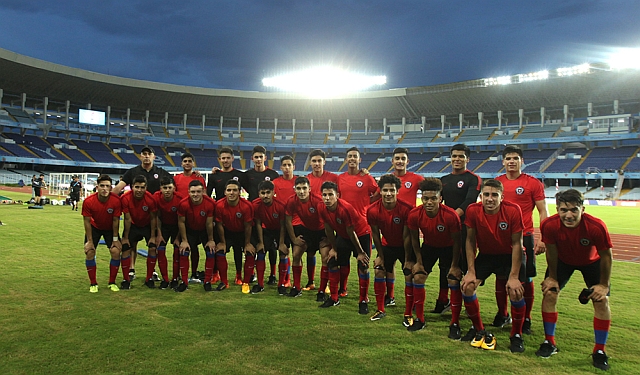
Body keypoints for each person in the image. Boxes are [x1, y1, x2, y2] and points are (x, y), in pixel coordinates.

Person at [537, 189, 613, 371]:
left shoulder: (596, 226)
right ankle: (550, 341)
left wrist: (603, 285)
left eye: (573, 210)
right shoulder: (549, 225)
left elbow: (606, 256)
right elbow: (552, 252)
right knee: (549, 293)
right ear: (557, 209)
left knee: (601, 300)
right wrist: (552, 278)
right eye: (563, 210)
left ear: (582, 209)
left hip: (592, 262)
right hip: (563, 261)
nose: (568, 215)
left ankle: (599, 351)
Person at [460, 179, 526, 353]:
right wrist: (471, 271)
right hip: (487, 255)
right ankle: (479, 329)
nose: (490, 199)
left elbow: (517, 244)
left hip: (509, 254)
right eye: (486, 195)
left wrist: (513, 276)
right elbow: (470, 240)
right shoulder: (473, 210)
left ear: (502, 197)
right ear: (481, 196)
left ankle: (516, 335)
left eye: (494, 195)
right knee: (467, 286)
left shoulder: (512, 210)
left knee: (515, 291)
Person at [495, 145, 549, 334]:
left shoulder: (532, 183)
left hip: (525, 236)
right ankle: (502, 314)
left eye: (515, 158)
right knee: (501, 275)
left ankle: (526, 318)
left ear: (522, 161)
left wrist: (544, 237)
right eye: (508, 158)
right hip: (501, 237)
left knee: (525, 278)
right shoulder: (497, 183)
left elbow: (543, 211)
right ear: (503, 162)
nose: (511, 161)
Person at [406, 178, 462, 334]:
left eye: (433, 198)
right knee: (418, 276)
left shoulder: (451, 215)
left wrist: (455, 265)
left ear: (440, 199)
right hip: (429, 246)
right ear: (421, 198)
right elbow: (415, 239)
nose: (429, 202)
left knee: (453, 279)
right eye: (425, 198)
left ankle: (455, 323)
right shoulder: (415, 214)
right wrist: (418, 261)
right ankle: (420, 319)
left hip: (450, 248)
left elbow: (458, 242)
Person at [113, 146, 170, 279]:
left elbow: (173, 185)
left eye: (149, 154)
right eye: (143, 154)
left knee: (153, 244)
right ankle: (131, 269)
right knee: (131, 244)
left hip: (152, 216)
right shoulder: (132, 172)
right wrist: (107, 199)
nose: (146, 156)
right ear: (140, 156)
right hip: (133, 216)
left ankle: (153, 270)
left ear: (153, 157)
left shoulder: (161, 172)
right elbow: (119, 187)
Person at [439, 144, 481, 314]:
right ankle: (443, 301)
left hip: (465, 228)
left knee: (463, 266)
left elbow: (470, 200)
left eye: (461, 156)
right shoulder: (444, 179)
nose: (457, 159)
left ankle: (465, 302)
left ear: (467, 159)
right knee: (445, 265)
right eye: (454, 156)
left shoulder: (473, 179)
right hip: (448, 228)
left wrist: (454, 216)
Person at [317, 181, 371, 313]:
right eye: (324, 195)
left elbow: (352, 232)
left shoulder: (345, 209)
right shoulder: (321, 207)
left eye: (330, 194)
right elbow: (329, 229)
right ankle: (334, 297)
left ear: (337, 195)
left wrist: (360, 252)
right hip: (344, 236)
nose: (327, 198)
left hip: (361, 234)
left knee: (363, 266)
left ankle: (363, 299)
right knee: (332, 261)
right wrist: (334, 248)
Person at [366, 174, 412, 321]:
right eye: (385, 190)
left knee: (410, 274)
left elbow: (407, 236)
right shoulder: (373, 210)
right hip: (387, 246)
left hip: (405, 247)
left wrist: (408, 258)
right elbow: (375, 234)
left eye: (392, 190)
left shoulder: (406, 209)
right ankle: (381, 309)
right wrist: (380, 255)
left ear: (397, 191)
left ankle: (408, 312)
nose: (388, 193)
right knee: (379, 271)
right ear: (380, 191)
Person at [337, 147, 379, 297]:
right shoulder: (340, 178)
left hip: (362, 228)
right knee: (342, 262)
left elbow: (378, 192)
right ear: (346, 159)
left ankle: (364, 296)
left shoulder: (367, 178)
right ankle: (343, 289)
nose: (352, 159)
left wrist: (368, 203)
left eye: (355, 156)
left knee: (363, 264)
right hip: (343, 228)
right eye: (350, 156)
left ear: (359, 160)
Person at [284, 177, 327, 299]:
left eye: (304, 188)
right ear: (295, 189)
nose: (301, 191)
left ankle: (322, 291)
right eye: (298, 188)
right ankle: (296, 287)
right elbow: (287, 221)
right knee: (296, 254)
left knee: (325, 257)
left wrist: (329, 238)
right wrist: (293, 239)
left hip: (321, 232)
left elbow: (329, 220)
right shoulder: (292, 201)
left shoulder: (318, 201)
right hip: (306, 231)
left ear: (309, 189)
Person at [304, 149, 339, 290]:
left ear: (324, 162)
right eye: (314, 161)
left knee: (326, 256)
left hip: (328, 225)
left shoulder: (334, 178)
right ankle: (311, 282)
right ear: (310, 163)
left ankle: (327, 285)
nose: (317, 164)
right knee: (310, 252)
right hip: (311, 225)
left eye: (319, 161)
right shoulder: (307, 179)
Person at [81, 174, 122, 293]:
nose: (105, 189)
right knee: (90, 252)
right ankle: (93, 283)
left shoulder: (115, 201)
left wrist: (115, 239)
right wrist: (89, 241)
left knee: (115, 251)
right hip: (95, 227)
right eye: (102, 186)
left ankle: (112, 282)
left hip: (110, 229)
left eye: (107, 186)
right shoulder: (89, 201)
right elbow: (87, 221)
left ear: (111, 187)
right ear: (97, 187)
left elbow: (116, 220)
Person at [175, 180, 216, 292]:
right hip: (190, 230)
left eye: (198, 191)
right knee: (184, 251)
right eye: (193, 192)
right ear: (188, 192)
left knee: (210, 251)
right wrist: (184, 240)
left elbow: (209, 223)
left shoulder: (210, 203)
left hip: (204, 231)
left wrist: (211, 239)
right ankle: (184, 282)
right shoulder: (183, 204)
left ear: (203, 191)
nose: (195, 194)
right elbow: (181, 222)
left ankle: (207, 282)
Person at [214, 179, 255, 292]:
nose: (231, 193)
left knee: (250, 252)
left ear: (240, 192)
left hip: (242, 233)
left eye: (235, 190)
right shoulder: (219, 205)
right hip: (227, 233)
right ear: (225, 192)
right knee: (220, 252)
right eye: (229, 190)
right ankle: (224, 282)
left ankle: (245, 282)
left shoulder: (247, 206)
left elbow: (248, 226)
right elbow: (219, 225)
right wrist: (222, 242)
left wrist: (247, 243)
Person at [174, 152, 208, 285]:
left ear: (193, 163)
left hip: (198, 216)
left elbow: (204, 195)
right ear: (181, 164)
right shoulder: (177, 178)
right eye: (185, 161)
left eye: (190, 161)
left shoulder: (199, 178)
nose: (187, 163)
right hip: (182, 215)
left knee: (198, 248)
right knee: (181, 246)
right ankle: (178, 275)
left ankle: (196, 273)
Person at [120, 175, 158, 290]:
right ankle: (127, 277)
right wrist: (125, 237)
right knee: (127, 248)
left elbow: (153, 218)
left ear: (146, 188)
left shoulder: (150, 199)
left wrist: (152, 236)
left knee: (152, 247)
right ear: (132, 187)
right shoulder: (125, 198)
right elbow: (127, 219)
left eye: (142, 187)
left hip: (147, 225)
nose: (139, 190)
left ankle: (149, 277)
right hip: (133, 225)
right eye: (137, 187)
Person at [251, 180, 288, 294]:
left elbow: (283, 226)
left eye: (268, 192)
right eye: (263, 193)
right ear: (259, 194)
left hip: (280, 231)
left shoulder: (281, 205)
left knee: (283, 254)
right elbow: (258, 223)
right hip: (266, 230)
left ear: (273, 193)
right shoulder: (256, 204)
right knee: (261, 252)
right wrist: (260, 242)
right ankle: (260, 284)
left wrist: (281, 243)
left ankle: (281, 284)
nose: (265, 195)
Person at [271, 155, 296, 289]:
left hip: (297, 222)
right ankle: (284, 280)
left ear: (293, 167)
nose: (287, 168)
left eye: (289, 165)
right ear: (281, 168)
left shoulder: (299, 181)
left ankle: (293, 279)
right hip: (281, 223)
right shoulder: (275, 183)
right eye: (284, 165)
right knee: (283, 251)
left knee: (297, 252)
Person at [153, 176, 182, 290]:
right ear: (161, 188)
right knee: (160, 250)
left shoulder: (180, 199)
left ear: (174, 188)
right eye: (165, 188)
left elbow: (181, 220)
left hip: (177, 226)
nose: (167, 190)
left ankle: (175, 278)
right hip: (163, 226)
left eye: (170, 187)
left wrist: (179, 237)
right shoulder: (156, 197)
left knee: (177, 251)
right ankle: (165, 279)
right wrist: (159, 234)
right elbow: (157, 217)